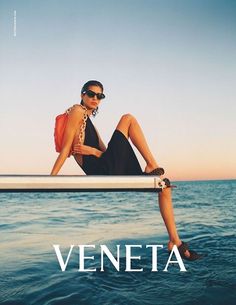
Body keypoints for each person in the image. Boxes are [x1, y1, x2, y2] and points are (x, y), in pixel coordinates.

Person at [51, 80, 201, 261]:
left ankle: (175, 242)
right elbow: (67, 148)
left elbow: (104, 153)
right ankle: (152, 164)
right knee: (128, 118)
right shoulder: (77, 111)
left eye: (100, 96)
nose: (95, 98)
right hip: (100, 171)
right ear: (82, 94)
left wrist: (93, 151)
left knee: (164, 188)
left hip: (105, 166)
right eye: (91, 94)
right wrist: (51, 179)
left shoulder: (86, 119)